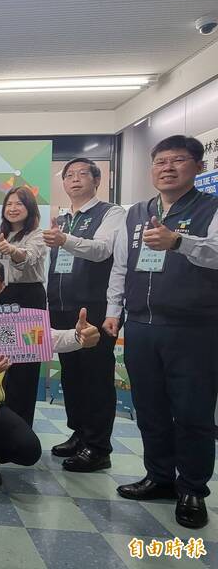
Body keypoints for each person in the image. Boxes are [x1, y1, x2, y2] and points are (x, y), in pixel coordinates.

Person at [105, 135, 218, 529]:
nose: (167, 168)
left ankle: (192, 489)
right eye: (160, 161)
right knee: (149, 407)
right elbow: (121, 266)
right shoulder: (137, 212)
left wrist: (179, 242)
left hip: (194, 329)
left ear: (198, 167)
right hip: (140, 325)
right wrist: (113, 311)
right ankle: (159, 476)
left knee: (192, 412)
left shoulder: (211, 207)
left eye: (178, 160)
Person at [0, 256, 100, 493]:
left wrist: (79, 337)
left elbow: (49, 338)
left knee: (28, 450)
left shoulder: (7, 320)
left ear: (1, 286)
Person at [43, 158, 126, 473]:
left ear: (97, 180)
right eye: (69, 175)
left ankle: (99, 447)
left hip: (94, 308)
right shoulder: (64, 219)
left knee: (95, 377)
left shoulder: (111, 213)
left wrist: (65, 240)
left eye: (82, 174)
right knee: (72, 374)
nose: (74, 179)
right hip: (61, 306)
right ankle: (79, 434)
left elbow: (102, 250)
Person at [0, 185, 47, 427]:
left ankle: (22, 428)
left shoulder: (37, 234)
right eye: (9, 204)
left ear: (30, 208)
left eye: (19, 204)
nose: (13, 208)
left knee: (26, 366)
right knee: (3, 364)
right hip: (3, 297)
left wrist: (12, 250)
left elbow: (29, 257)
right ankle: (1, 425)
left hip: (28, 299)